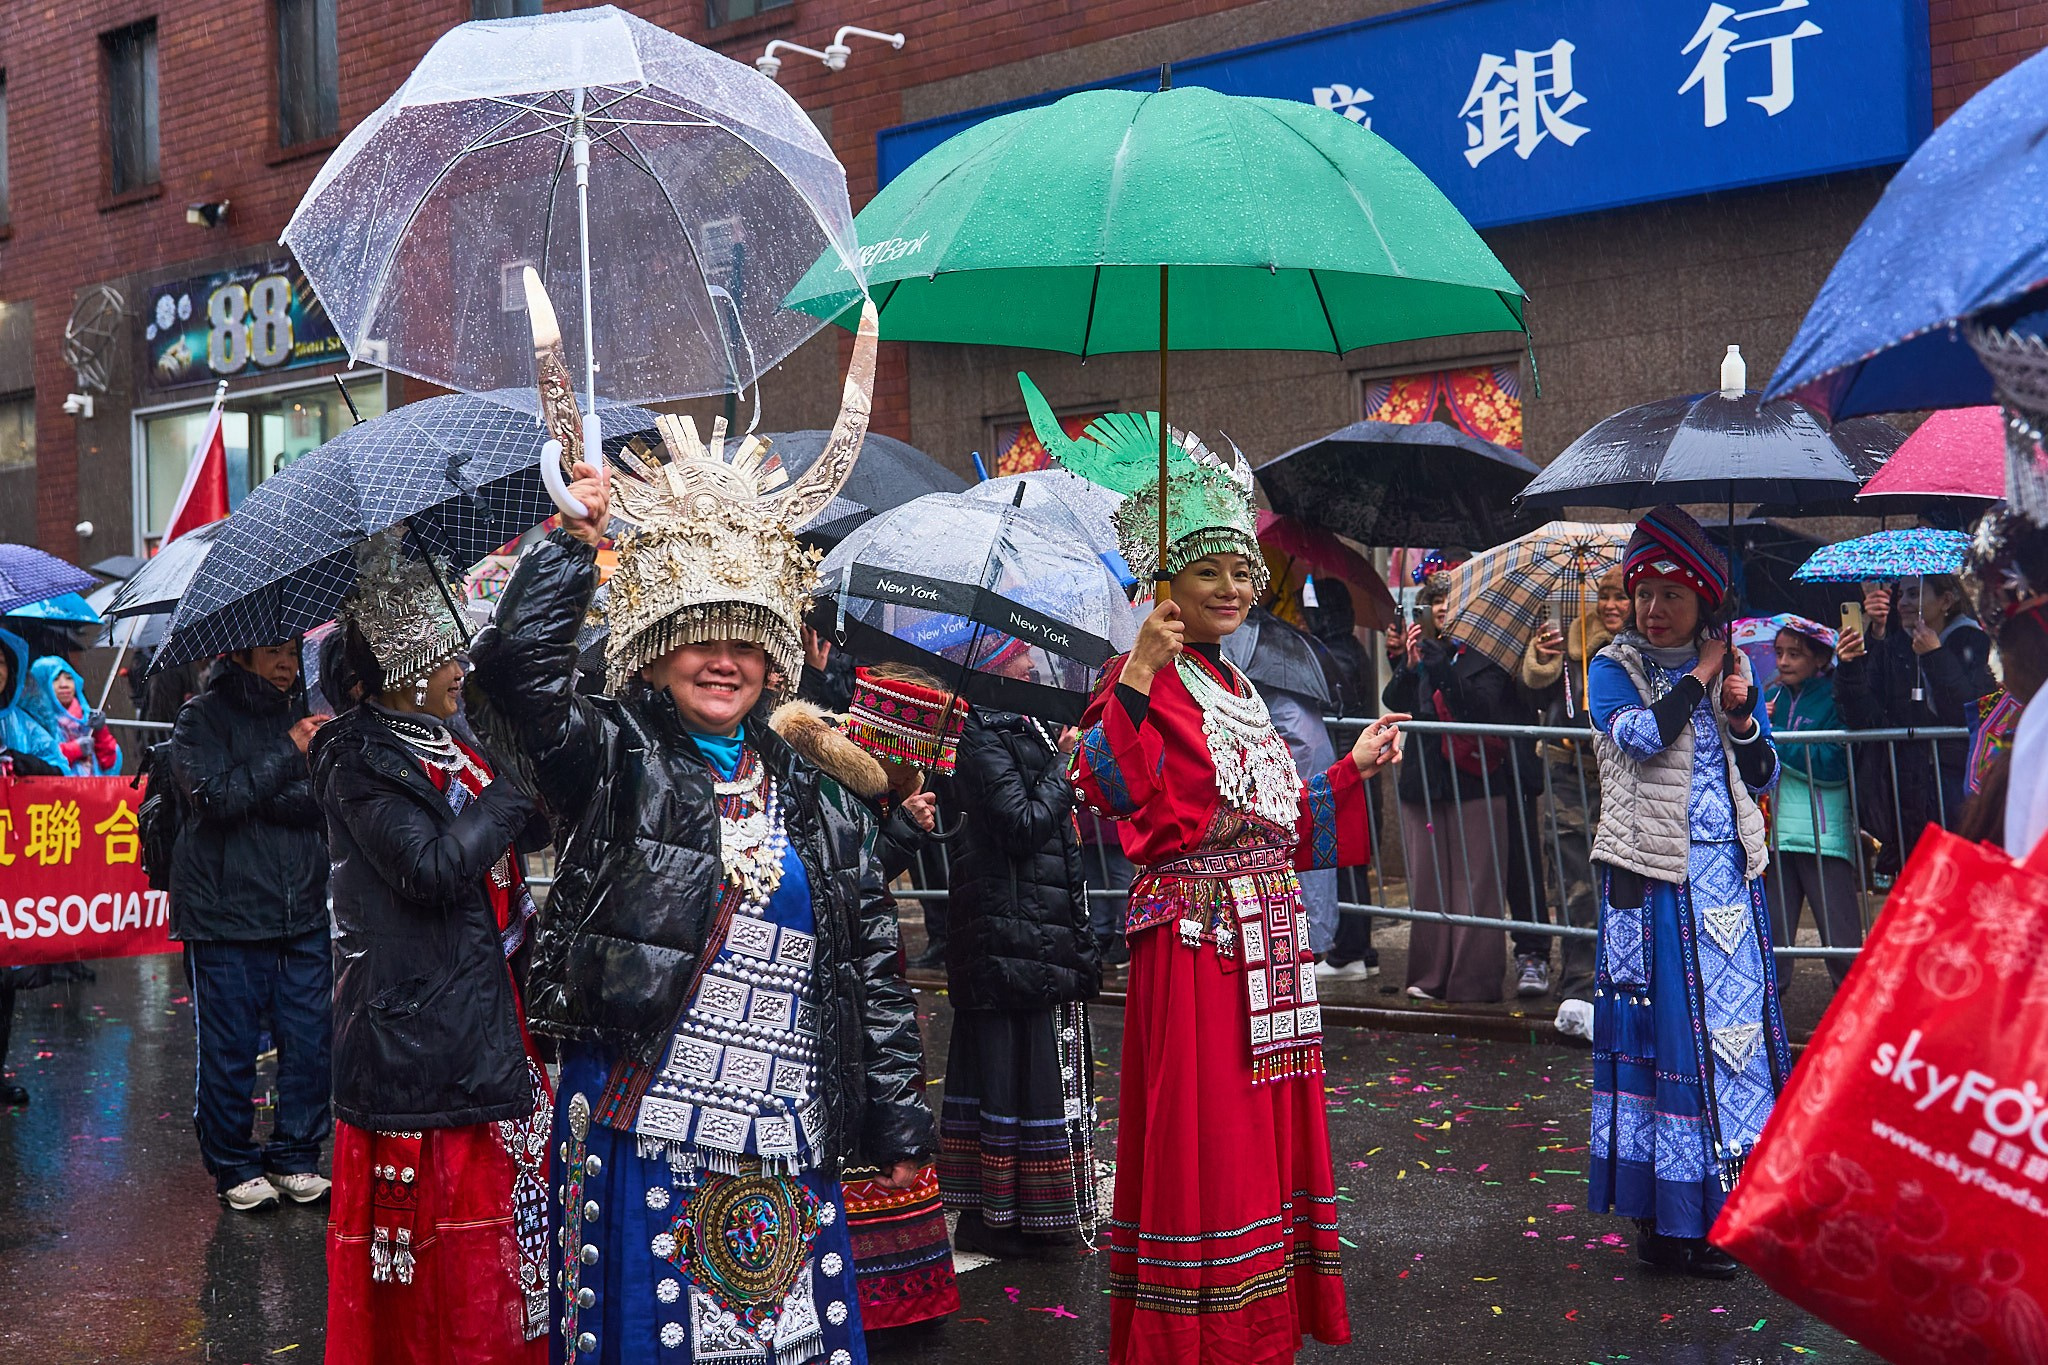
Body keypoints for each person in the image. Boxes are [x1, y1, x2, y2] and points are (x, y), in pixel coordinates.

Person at [469, 318, 933, 1365]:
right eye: (696, 638)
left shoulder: (815, 789)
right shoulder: (615, 757)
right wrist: (569, 544)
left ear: (775, 660)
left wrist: (895, 1121)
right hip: (649, 1116)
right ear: (657, 648)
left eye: (744, 641)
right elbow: (519, 684)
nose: (720, 661)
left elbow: (868, 959)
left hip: (788, 1118)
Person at [1029, 379, 1403, 1365]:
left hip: (1265, 940)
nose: (1233, 587)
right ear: (1165, 583)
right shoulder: (1140, 675)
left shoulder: (1236, 678)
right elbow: (1106, 789)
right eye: (1209, 573)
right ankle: (1202, 1334)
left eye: (1242, 569)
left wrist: (1345, 773)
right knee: (1212, 1143)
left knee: (1261, 1136)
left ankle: (1261, 1324)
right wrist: (1140, 674)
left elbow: (1264, 818)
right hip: (1198, 952)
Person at [312, 531, 555, 1364]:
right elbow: (431, 867)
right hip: (419, 1031)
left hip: (490, 1000)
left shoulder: (455, 740)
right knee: (441, 1258)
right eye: (450, 654)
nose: (461, 670)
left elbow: (515, 833)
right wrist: (514, 794)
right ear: (408, 662)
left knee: (511, 1234)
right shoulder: (355, 756)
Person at [1585, 506, 1787, 1280]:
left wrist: (1740, 715)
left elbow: (1764, 772)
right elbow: (1638, 737)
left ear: (1704, 601)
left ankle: (1731, 1207)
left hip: (1726, 883)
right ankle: (1669, 1225)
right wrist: (1701, 675)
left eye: (1672, 592)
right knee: (1671, 1043)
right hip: (1655, 883)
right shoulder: (1614, 666)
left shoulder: (1732, 671)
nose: (1654, 607)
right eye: (1644, 591)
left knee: (1732, 1050)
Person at [771, 666, 963, 1335]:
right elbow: (858, 914)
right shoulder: (828, 787)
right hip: (836, 1023)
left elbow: (858, 880)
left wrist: (901, 830)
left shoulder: (845, 790)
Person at [169, 636, 334, 1213]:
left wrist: (258, 785)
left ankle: (296, 1153)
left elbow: (322, 799)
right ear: (238, 653)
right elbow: (213, 797)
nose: (288, 663)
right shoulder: (200, 717)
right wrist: (288, 752)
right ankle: (234, 1162)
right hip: (224, 917)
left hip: (303, 909)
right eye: (273, 653)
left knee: (311, 1041)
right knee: (229, 1049)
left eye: (292, 651)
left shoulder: (308, 710)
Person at [941, 689, 1101, 1262]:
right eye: (1020, 652)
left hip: (1036, 927)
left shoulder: (1026, 721)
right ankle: (997, 1219)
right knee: (1010, 1071)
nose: (1032, 662)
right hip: (1007, 932)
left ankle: (1039, 1214)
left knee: (1035, 1072)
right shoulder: (980, 731)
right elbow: (1022, 823)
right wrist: (1062, 764)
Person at [1382, 571, 1517, 1004]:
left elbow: (1480, 709)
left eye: (1450, 600)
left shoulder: (1486, 655)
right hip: (1424, 781)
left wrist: (1442, 667)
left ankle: (1472, 981)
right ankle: (1428, 976)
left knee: (1476, 884)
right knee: (1428, 883)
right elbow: (1395, 701)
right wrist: (1406, 665)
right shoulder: (1422, 654)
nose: (1442, 608)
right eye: (1433, 602)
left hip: (1476, 779)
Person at [1522, 566, 1631, 1039]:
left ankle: (1620, 988)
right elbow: (1537, 686)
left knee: (1619, 887)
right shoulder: (1574, 642)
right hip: (1568, 781)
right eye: (1604, 596)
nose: (1610, 606)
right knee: (1573, 886)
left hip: (1618, 782)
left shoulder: (1643, 648)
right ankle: (1578, 987)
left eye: (1621, 597)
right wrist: (1542, 660)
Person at [1834, 573, 1994, 867]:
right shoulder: (1894, 647)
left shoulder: (1972, 641)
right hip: (1905, 789)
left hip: (1954, 786)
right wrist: (1850, 665)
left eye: (1914, 595)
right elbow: (1863, 716)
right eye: (1901, 595)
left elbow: (1969, 710)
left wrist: (1935, 655)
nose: (1903, 603)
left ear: (1946, 600)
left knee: (1958, 874)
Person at [1762, 618, 1861, 990]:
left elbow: (1835, 764)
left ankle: (1858, 1024)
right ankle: (1767, 1028)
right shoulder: (1777, 697)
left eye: (1794, 654)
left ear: (1820, 659)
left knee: (1841, 943)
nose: (1783, 662)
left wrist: (1779, 741)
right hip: (1778, 836)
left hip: (1823, 836)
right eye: (1779, 653)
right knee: (1773, 942)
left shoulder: (1834, 696)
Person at [0, 627, 64, 1109]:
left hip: (13, 872)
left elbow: (59, 775)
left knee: (4, 984)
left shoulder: (23, 724)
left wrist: (19, 762)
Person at [23, 655, 120, 775]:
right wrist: (73, 750)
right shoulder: (32, 721)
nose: (64, 684)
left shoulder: (87, 720)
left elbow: (109, 763)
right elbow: (37, 764)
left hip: (91, 791)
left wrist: (101, 732)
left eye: (69, 678)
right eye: (55, 679)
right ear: (41, 684)